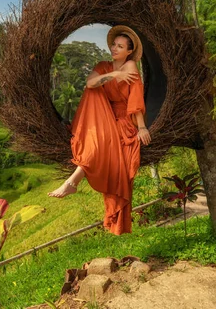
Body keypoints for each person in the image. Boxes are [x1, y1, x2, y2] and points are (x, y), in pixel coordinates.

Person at [48, 25, 150, 235]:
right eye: (113, 44)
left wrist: (141, 127)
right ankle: (73, 181)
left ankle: (72, 181)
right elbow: (90, 82)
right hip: (100, 117)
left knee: (101, 142)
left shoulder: (131, 66)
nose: (114, 48)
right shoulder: (104, 65)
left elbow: (135, 98)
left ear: (129, 51)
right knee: (92, 91)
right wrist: (113, 75)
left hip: (122, 120)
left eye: (120, 46)